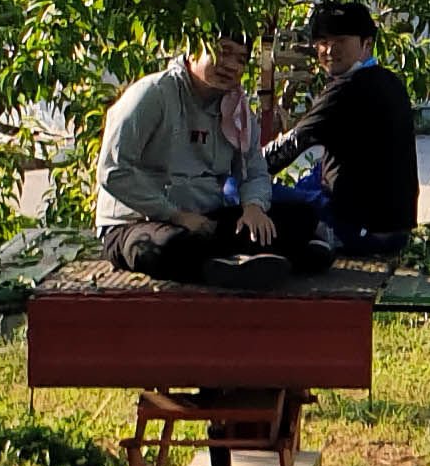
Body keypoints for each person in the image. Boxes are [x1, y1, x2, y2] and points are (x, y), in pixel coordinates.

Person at [95, 26, 330, 282]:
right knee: (166, 246)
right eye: (223, 52)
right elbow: (113, 171)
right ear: (194, 49)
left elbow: (254, 171)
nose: (230, 65)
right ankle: (269, 258)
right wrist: (175, 215)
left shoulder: (237, 109)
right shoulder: (154, 94)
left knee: (300, 217)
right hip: (139, 222)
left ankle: (231, 262)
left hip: (205, 222)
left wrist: (254, 207)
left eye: (240, 59)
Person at [264, 0, 420, 260]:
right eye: (322, 41)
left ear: (366, 44)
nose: (328, 50)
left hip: (363, 233)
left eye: (340, 40)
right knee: (313, 177)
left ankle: (316, 240)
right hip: (397, 230)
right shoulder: (390, 80)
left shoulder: (347, 89)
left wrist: (244, 177)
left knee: (242, 190)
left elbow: (290, 146)